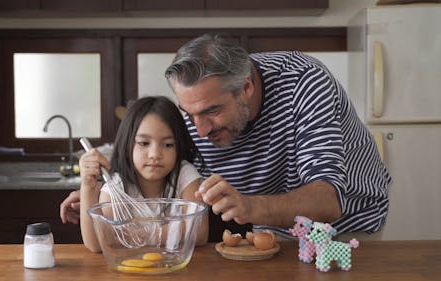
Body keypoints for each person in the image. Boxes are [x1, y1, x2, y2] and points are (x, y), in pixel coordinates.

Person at [62, 33, 391, 240]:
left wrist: (249, 206)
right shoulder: (197, 111)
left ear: (246, 86)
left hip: (350, 230)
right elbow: (173, 171)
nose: (199, 129)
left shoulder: (305, 82)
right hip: (270, 233)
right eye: (189, 114)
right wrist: (106, 194)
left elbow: (328, 200)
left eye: (211, 112)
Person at [78, 96, 208, 252]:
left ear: (178, 146)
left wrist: (141, 234)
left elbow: (199, 233)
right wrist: (86, 187)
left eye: (167, 144)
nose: (155, 154)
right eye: (144, 143)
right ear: (127, 145)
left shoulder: (184, 174)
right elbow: (97, 244)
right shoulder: (117, 186)